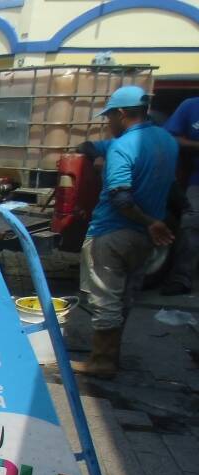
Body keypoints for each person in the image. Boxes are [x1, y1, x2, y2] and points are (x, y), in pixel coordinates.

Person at [71, 86, 178, 378]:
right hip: (144, 240)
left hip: (113, 232)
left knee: (105, 298)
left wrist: (148, 222)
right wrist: (89, 150)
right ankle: (111, 356)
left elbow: (121, 198)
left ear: (120, 114)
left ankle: (101, 362)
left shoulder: (122, 148)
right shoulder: (166, 141)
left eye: (109, 117)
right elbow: (93, 146)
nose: (108, 123)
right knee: (125, 299)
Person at [161, 96, 199, 296]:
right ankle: (181, 278)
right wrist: (195, 145)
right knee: (190, 223)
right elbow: (169, 136)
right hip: (197, 181)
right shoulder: (191, 106)